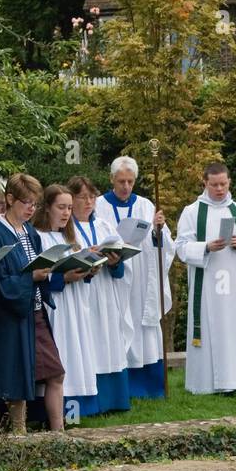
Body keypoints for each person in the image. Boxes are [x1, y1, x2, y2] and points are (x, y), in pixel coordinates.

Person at [0, 172, 65, 434]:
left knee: (54, 371)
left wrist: (46, 271)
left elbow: (34, 267)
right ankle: (18, 431)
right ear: (10, 199)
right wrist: (32, 277)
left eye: (35, 204)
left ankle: (57, 431)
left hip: (34, 310)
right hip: (10, 315)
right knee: (15, 375)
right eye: (26, 202)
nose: (31, 208)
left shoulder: (29, 232)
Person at [175, 162, 236, 395]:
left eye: (223, 184)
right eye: (214, 185)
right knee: (210, 327)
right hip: (207, 281)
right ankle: (206, 384)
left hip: (233, 281)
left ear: (229, 182)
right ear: (205, 183)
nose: (219, 189)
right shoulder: (192, 211)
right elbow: (181, 247)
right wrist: (206, 247)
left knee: (234, 326)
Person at [101, 155, 174, 399]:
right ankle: (120, 385)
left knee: (144, 328)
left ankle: (149, 387)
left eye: (130, 181)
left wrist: (157, 231)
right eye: (121, 181)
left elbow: (165, 245)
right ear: (112, 179)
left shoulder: (145, 205)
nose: (126, 186)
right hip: (112, 276)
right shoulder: (100, 205)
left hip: (142, 276)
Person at [67, 175, 131, 414]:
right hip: (82, 292)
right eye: (83, 197)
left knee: (108, 341)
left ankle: (113, 400)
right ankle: (88, 403)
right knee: (87, 342)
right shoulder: (67, 228)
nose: (89, 202)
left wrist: (115, 261)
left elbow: (121, 271)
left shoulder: (104, 226)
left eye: (92, 197)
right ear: (71, 198)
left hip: (105, 292)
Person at [34, 185, 99, 418]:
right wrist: (63, 278)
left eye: (70, 208)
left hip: (75, 305)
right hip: (56, 307)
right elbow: (37, 276)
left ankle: (76, 412)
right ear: (47, 208)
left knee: (76, 352)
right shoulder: (38, 236)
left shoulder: (69, 237)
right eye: (61, 207)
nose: (66, 213)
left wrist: (89, 269)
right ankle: (52, 413)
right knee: (59, 354)